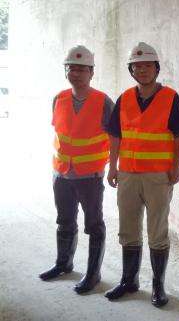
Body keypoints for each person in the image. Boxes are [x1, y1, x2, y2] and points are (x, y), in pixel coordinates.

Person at [105, 42, 179, 307]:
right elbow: (115, 135)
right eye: (137, 66)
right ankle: (129, 281)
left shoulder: (171, 98)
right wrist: (112, 166)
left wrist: (176, 166)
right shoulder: (124, 99)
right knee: (128, 229)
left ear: (156, 68)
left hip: (157, 177)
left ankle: (158, 286)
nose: (142, 70)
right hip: (128, 175)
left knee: (157, 232)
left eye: (147, 65)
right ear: (131, 70)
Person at [39, 45, 113, 295]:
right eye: (71, 68)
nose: (76, 73)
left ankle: (93, 273)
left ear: (91, 72)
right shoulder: (58, 99)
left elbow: (116, 138)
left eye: (82, 69)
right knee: (64, 221)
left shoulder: (104, 102)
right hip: (61, 173)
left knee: (94, 224)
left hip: (90, 176)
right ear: (66, 71)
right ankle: (64, 264)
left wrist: (113, 167)